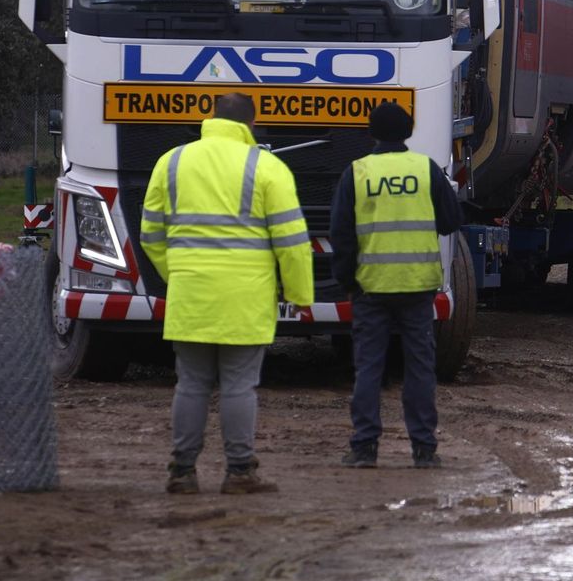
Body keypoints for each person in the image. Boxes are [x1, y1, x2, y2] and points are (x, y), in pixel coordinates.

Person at [140, 93, 313, 496]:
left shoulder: (172, 162)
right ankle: (239, 472)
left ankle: (182, 472)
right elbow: (291, 241)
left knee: (191, 384)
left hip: (190, 294)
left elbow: (150, 234)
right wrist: (301, 293)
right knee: (238, 386)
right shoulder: (267, 167)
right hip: (246, 299)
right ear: (251, 125)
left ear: (210, 119)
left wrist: (177, 273)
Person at [329, 101, 462, 469]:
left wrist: (347, 280)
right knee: (419, 368)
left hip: (371, 288)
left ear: (371, 132)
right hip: (418, 288)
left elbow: (341, 234)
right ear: (408, 131)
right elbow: (452, 220)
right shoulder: (425, 169)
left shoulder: (357, 173)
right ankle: (423, 449)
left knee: (369, 367)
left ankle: (364, 448)